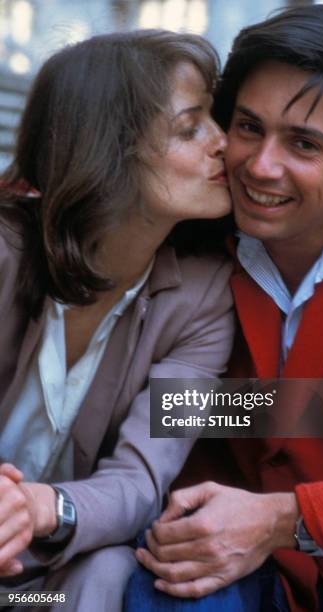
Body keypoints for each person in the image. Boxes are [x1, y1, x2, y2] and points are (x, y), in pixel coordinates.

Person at [126, 5, 323, 612]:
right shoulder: (196, 231)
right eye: (249, 127)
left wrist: (287, 518)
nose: (260, 165)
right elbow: (176, 412)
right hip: (218, 563)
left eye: (303, 143)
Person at [0, 29, 235, 611]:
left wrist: (42, 506)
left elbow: (142, 480)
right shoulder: (6, 251)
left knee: (109, 570)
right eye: (190, 128)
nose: (224, 142)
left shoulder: (206, 297)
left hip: (39, 588)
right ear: (109, 149)